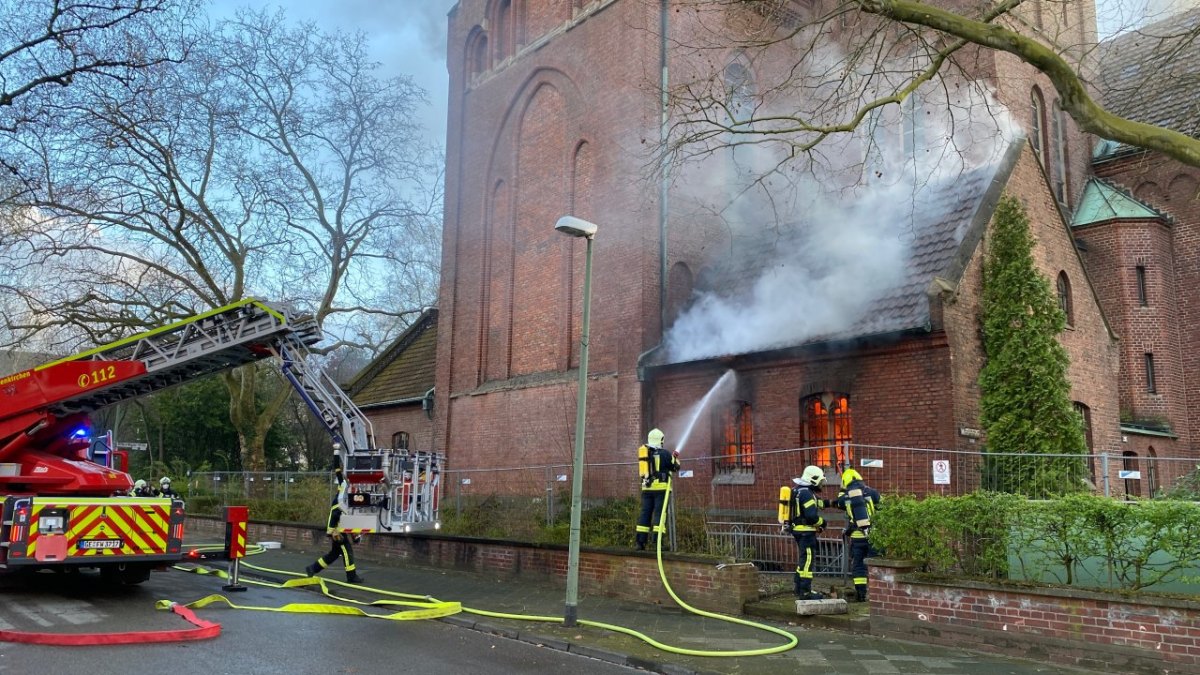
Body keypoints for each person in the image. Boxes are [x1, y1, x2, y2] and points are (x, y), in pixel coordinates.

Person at [780, 465, 831, 600]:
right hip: (806, 533)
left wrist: (832, 503)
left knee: (803, 559)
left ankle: (798, 588)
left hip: (797, 530)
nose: (821, 484)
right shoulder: (807, 493)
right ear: (813, 480)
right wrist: (823, 523)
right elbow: (811, 516)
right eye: (820, 481)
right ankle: (805, 592)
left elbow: (814, 504)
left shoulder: (797, 490)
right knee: (807, 561)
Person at [305, 466, 364, 583]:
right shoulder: (340, 501)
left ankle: (312, 568)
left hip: (337, 530)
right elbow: (342, 517)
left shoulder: (341, 497)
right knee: (347, 552)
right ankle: (351, 577)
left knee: (334, 554)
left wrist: (354, 534)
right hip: (338, 531)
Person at [836, 468, 882, 602]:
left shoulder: (846, 497)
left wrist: (842, 489)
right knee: (876, 565)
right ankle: (878, 593)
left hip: (856, 537)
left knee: (858, 566)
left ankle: (861, 594)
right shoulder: (872, 492)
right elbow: (883, 508)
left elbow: (839, 503)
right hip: (873, 536)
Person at [635, 428, 680, 551]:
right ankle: (657, 543)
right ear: (661, 440)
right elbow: (675, 467)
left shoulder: (645, 452)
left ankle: (640, 542)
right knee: (660, 515)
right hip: (661, 490)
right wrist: (675, 457)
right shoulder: (665, 453)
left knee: (645, 513)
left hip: (646, 489)